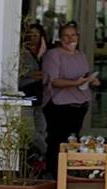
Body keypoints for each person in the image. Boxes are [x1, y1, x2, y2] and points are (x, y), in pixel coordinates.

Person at [40, 22, 96, 150]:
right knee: (58, 141)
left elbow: (84, 75)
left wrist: (91, 80)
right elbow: (53, 81)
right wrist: (76, 83)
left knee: (74, 140)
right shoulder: (54, 54)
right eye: (66, 36)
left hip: (80, 103)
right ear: (60, 38)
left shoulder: (81, 55)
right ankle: (55, 169)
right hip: (60, 105)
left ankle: (69, 168)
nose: (70, 39)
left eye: (73, 35)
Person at [18, 23, 50, 169]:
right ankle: (42, 154)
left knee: (41, 129)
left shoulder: (42, 54)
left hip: (38, 100)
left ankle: (38, 160)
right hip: (25, 98)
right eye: (29, 34)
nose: (32, 38)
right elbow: (20, 75)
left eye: (36, 35)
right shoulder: (23, 53)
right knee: (31, 133)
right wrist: (38, 75)